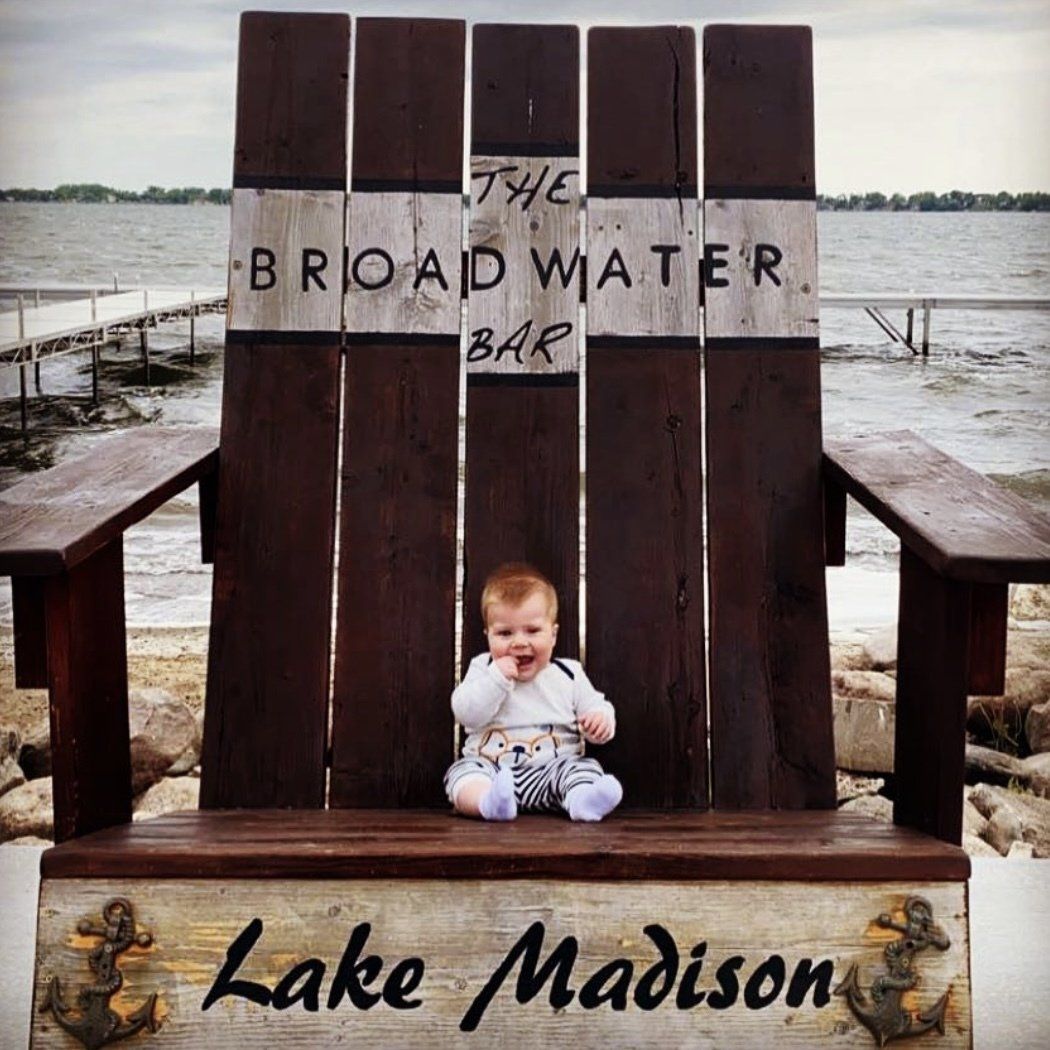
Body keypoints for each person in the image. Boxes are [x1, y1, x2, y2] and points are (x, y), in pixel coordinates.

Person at [444, 562, 623, 822]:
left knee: (583, 769)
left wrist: (600, 721)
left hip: (553, 771)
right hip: (492, 771)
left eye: (533, 631)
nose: (519, 642)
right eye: (505, 633)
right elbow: (465, 712)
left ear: (553, 634)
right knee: (462, 773)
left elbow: (597, 705)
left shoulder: (568, 673)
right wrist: (497, 679)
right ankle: (488, 804)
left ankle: (584, 802)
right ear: (488, 636)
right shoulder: (484, 669)